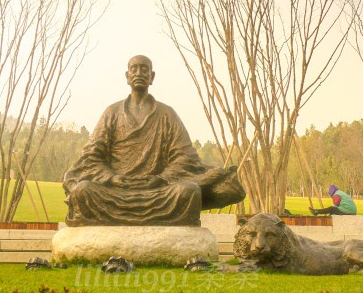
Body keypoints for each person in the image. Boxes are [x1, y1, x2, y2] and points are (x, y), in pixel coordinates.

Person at [62, 55, 246, 226]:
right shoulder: (112, 112)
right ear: (127, 76)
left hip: (157, 190)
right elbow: (92, 157)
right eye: (134, 69)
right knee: (83, 191)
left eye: (144, 69)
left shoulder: (167, 114)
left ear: (152, 76)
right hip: (116, 190)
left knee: (189, 191)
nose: (139, 73)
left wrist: (161, 178)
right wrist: (112, 178)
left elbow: (184, 158)